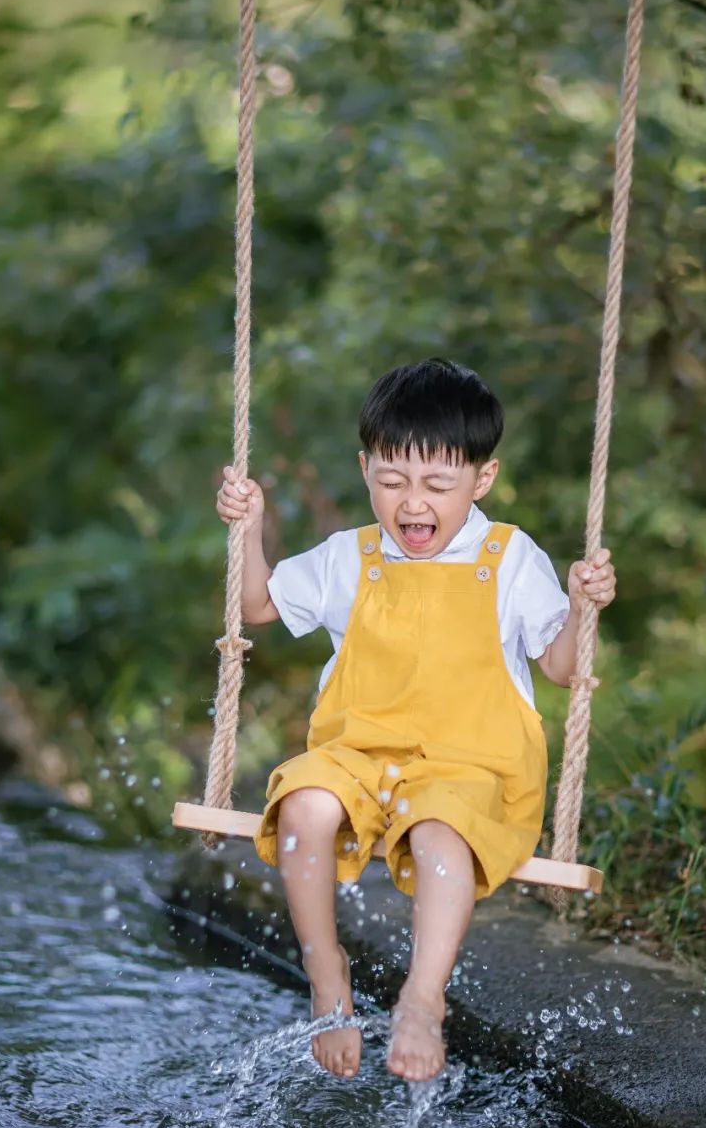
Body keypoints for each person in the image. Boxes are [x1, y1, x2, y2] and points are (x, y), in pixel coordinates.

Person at [215, 359, 616, 1084]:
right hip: (361, 755)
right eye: (392, 480)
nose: (412, 503)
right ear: (365, 469)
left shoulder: (508, 558)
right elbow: (258, 608)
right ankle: (326, 976)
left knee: (441, 833)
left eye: (438, 485)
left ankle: (423, 1000)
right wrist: (246, 530)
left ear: (481, 480)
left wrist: (581, 605)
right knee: (302, 805)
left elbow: (561, 667)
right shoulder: (352, 558)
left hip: (471, 765)